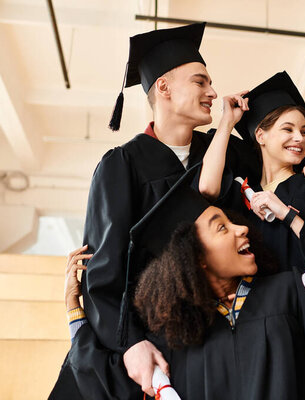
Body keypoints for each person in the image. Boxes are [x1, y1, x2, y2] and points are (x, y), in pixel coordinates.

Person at [58, 166, 305, 400]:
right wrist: (75, 310)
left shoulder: (290, 292)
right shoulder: (171, 339)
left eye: (233, 222)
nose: (242, 229)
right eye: (221, 228)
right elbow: (102, 387)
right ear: (194, 258)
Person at [75, 23, 265, 397]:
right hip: (155, 339)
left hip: (229, 334)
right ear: (163, 87)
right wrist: (130, 342)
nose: (212, 92)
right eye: (200, 82)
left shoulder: (224, 151)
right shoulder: (122, 165)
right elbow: (104, 269)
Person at [199, 71, 305, 270]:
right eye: (288, 129)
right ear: (260, 136)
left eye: (304, 131)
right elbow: (207, 188)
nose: (300, 138)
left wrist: (286, 214)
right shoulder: (244, 198)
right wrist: (227, 121)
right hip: (260, 300)